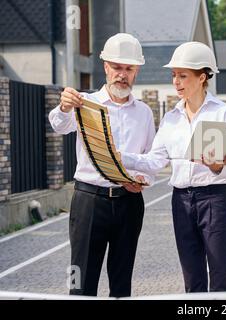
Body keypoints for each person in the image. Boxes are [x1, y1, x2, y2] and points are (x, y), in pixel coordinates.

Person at [120, 41, 226, 292]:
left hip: (216, 200)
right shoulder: (171, 118)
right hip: (181, 201)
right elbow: (155, 161)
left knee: (221, 277)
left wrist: (217, 165)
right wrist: (120, 156)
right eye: (174, 75)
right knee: (192, 279)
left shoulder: (223, 114)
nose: (176, 81)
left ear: (202, 77)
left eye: (183, 75)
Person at [48, 33, 156, 297]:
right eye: (117, 67)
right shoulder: (85, 103)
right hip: (89, 200)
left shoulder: (144, 113)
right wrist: (63, 107)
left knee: (121, 282)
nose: (122, 74)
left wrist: (141, 180)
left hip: (129, 203)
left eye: (128, 68)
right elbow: (58, 125)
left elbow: (151, 159)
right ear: (106, 66)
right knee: (81, 280)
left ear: (137, 71)